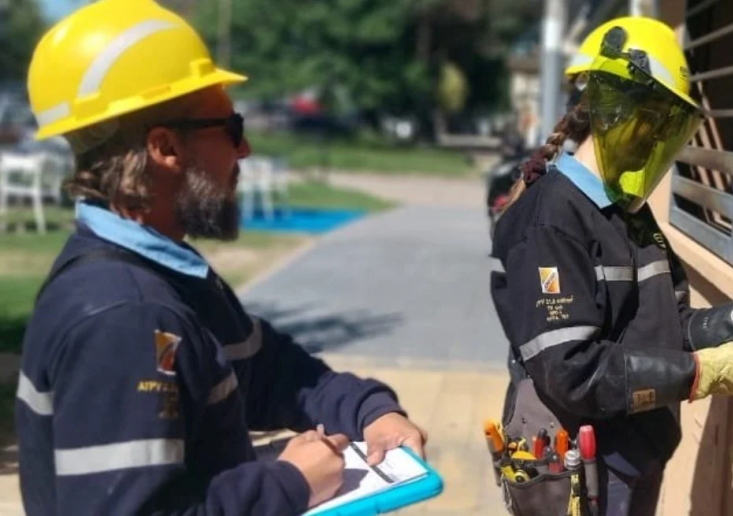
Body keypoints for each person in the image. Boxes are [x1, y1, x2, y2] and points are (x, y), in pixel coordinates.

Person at [14, 1, 426, 514]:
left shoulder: (165, 277)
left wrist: (368, 409)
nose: (245, 148)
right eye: (231, 128)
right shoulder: (129, 318)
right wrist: (289, 484)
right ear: (165, 147)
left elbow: (269, 373)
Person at [488, 18, 733, 516]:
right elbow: (571, 370)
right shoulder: (550, 220)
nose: (656, 138)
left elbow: (662, 325)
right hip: (587, 466)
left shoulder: (627, 210)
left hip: (638, 448)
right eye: (650, 119)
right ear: (610, 108)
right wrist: (701, 373)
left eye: (668, 125)